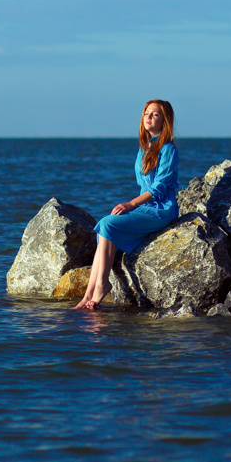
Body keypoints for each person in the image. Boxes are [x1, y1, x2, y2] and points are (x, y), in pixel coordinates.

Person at [74, 99, 179, 310]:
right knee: (105, 228)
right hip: (145, 208)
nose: (148, 117)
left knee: (108, 224)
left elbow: (158, 189)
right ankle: (88, 296)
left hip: (162, 209)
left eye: (155, 114)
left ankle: (102, 286)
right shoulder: (143, 149)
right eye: (146, 113)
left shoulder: (168, 149)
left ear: (164, 121)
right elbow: (143, 185)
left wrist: (131, 204)